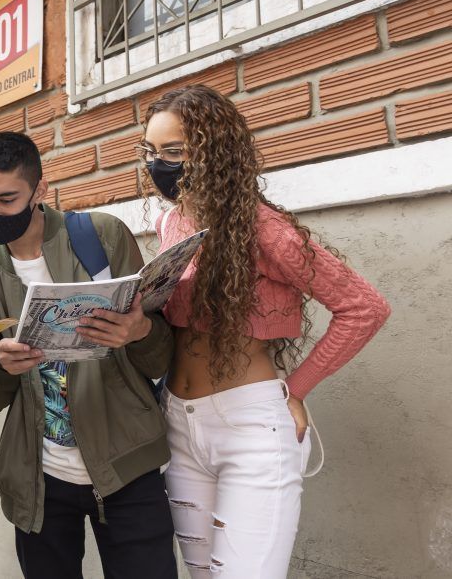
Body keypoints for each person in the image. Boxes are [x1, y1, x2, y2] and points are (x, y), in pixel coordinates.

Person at [140, 85, 391, 578]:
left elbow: (364, 307)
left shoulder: (263, 228)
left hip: (250, 426)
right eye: (151, 152)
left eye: (173, 152)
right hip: (178, 423)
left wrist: (296, 391)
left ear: (213, 153)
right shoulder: (172, 222)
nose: (158, 165)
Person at [0, 132, 177, 579]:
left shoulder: (100, 237)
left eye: (6, 199)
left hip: (127, 467)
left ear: (39, 190)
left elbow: (158, 360)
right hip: (37, 485)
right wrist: (1, 365)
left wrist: (139, 330)